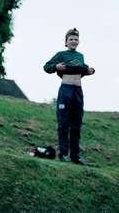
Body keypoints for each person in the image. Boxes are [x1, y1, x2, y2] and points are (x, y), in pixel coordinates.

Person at [43, 28, 95, 164]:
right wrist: (56, 67)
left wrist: (89, 71)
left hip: (78, 91)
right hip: (65, 90)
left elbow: (82, 70)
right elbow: (46, 67)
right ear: (66, 42)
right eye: (71, 39)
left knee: (76, 124)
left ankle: (75, 156)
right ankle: (63, 153)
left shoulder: (80, 56)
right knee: (64, 123)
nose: (73, 41)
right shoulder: (61, 54)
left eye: (76, 39)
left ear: (79, 42)